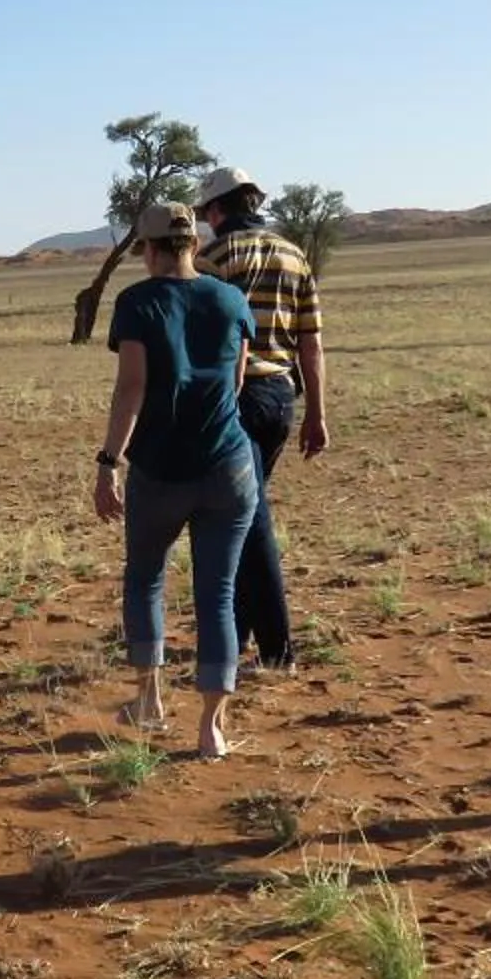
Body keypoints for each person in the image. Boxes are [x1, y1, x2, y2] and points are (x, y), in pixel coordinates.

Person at [94, 199, 260, 759]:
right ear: (191, 243)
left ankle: (150, 701)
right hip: (229, 464)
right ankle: (212, 727)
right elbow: (236, 383)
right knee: (217, 594)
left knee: (145, 580)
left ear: (152, 248)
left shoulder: (139, 303)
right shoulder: (230, 297)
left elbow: (131, 388)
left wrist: (108, 460)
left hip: (160, 468)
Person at [192, 165, 330, 667]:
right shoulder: (295, 255)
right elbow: (311, 343)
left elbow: (201, 339)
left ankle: (278, 650)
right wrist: (316, 412)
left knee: (249, 523)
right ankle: (243, 632)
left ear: (216, 209)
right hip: (281, 398)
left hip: (234, 398)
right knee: (244, 513)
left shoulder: (210, 259)